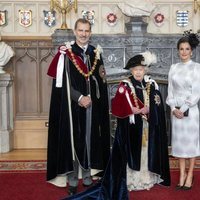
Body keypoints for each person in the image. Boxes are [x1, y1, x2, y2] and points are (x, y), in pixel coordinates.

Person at [63, 51, 171, 200]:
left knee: (145, 152)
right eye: (136, 70)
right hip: (131, 128)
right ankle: (134, 180)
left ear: (145, 70)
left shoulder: (151, 84)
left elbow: (158, 103)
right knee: (133, 154)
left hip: (146, 127)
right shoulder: (124, 86)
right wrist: (130, 110)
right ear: (131, 71)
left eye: (141, 69)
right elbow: (117, 106)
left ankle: (147, 178)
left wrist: (150, 109)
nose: (138, 72)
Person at [46, 18, 110, 195]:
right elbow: (62, 84)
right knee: (74, 140)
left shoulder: (95, 53)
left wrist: (93, 99)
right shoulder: (66, 53)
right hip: (72, 106)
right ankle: (73, 179)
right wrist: (80, 97)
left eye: (87, 31)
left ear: (90, 32)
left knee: (90, 139)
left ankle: (88, 174)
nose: (83, 34)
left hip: (92, 106)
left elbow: (101, 80)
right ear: (75, 31)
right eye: (80, 30)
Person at [166, 30, 200, 190]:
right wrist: (173, 108)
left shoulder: (197, 68)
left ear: (191, 51)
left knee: (191, 145)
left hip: (191, 112)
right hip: (176, 113)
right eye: (181, 49)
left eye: (187, 49)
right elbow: (170, 91)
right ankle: (181, 175)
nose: (184, 52)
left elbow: (196, 93)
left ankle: (190, 175)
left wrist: (184, 108)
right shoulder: (173, 67)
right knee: (179, 146)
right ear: (178, 50)